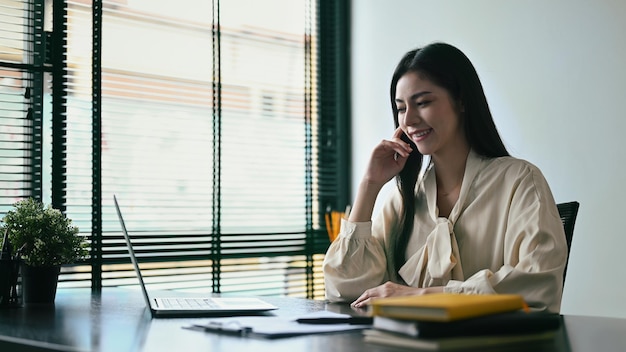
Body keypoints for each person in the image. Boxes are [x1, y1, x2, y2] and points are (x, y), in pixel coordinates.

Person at [322, 42, 567, 313]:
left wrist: (420, 296)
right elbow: (344, 289)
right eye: (401, 108)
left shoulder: (520, 181)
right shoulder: (405, 200)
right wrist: (369, 185)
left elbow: (536, 285)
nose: (410, 120)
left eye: (423, 103)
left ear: (461, 100)